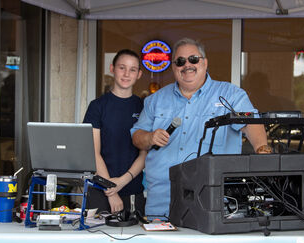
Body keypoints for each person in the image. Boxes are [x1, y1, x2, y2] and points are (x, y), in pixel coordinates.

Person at [132, 38, 271, 217]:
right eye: (180, 61)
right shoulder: (155, 100)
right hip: (162, 202)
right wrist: (150, 137)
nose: (187, 65)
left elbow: (252, 124)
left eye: (193, 59)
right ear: (174, 67)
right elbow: (137, 136)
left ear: (205, 63)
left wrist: (263, 151)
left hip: (214, 201)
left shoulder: (231, 95)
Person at [83, 49, 147, 215]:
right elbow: (92, 152)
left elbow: (144, 154)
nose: (127, 74)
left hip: (132, 189)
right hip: (99, 191)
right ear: (112, 68)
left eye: (132, 69)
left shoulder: (144, 108)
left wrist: (121, 182)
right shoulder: (97, 106)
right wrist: (111, 190)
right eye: (122, 67)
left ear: (139, 74)